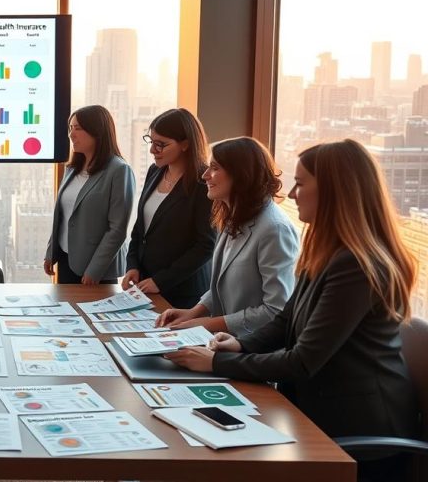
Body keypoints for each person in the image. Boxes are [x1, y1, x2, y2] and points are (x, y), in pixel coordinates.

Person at [167, 140, 420, 482]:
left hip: (354, 433)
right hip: (311, 411)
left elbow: (302, 360)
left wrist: (215, 362)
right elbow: (285, 320)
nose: (294, 193)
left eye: (302, 184)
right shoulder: (326, 249)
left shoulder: (356, 266)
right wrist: (239, 346)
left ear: (333, 191)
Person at [156, 137, 299, 334]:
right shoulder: (232, 216)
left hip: (255, 352)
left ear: (241, 174)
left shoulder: (275, 230)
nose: (205, 175)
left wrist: (207, 324)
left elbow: (275, 310)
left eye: (214, 168)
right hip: (228, 342)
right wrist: (194, 313)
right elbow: (222, 285)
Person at [122, 108, 216, 309]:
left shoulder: (203, 182)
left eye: (161, 145)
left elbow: (205, 245)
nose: (152, 151)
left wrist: (161, 280)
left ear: (185, 144)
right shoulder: (155, 171)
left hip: (182, 292)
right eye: (151, 142)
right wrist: (132, 265)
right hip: (145, 284)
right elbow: (141, 227)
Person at [44, 105, 135, 284]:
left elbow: (117, 229)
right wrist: (51, 252)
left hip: (96, 270)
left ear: (97, 132)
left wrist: (95, 270)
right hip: (65, 259)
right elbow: (64, 217)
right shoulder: (71, 169)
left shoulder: (119, 170)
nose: (71, 134)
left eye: (78, 128)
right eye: (70, 128)